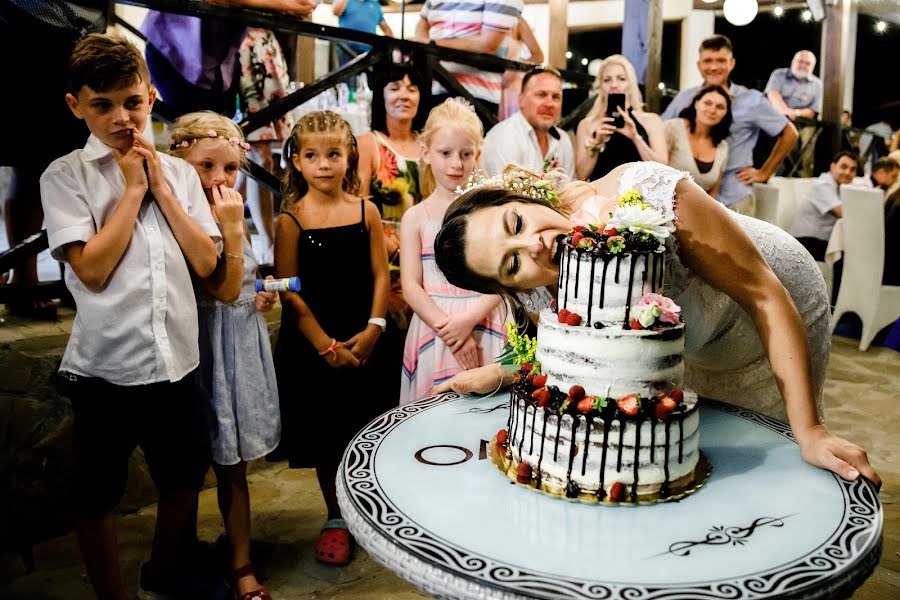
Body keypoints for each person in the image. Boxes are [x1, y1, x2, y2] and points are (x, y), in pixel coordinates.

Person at [431, 161, 881, 489]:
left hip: (775, 302)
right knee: (698, 462)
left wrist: (811, 432)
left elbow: (763, 293)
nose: (535, 245)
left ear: (523, 197)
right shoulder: (536, 287)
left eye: (517, 222)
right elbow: (588, 358)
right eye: (511, 264)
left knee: (775, 462)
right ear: (507, 285)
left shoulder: (648, 195)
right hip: (693, 342)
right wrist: (503, 373)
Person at [40, 34, 221, 599]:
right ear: (76, 106)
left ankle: (164, 571)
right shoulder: (65, 176)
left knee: (184, 476)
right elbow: (91, 270)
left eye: (133, 102)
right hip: (107, 368)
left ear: (151, 95)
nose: (122, 118)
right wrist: (130, 191)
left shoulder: (181, 175)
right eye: (103, 105)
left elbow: (206, 260)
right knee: (97, 491)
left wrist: (161, 189)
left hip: (178, 358)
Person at [168, 112, 279, 600]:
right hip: (200, 348)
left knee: (234, 468)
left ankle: (240, 559)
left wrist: (260, 292)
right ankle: (181, 549)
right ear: (178, 164)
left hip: (239, 343)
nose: (218, 179)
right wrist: (231, 232)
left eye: (229, 168)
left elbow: (241, 278)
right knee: (188, 463)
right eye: (204, 166)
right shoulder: (184, 218)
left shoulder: (232, 210)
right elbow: (214, 282)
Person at [272, 111, 391, 566]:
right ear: (297, 162)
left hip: (365, 334)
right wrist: (326, 345)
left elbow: (382, 273)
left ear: (349, 158)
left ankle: (373, 509)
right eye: (312, 156)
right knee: (328, 431)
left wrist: (374, 328)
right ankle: (337, 516)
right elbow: (290, 292)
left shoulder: (367, 212)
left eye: (334, 154)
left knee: (367, 425)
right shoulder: (291, 220)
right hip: (316, 342)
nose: (324, 164)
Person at [1, 0, 107, 320]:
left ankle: (75, 274)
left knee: (84, 164)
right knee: (31, 163)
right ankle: (25, 279)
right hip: (26, 25)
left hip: (87, 33)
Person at [399, 99, 507, 404]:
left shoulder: (488, 210)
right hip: (434, 327)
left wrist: (468, 320)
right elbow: (410, 285)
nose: (456, 164)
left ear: (479, 154)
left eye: (465, 154)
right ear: (426, 152)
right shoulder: (416, 217)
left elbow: (503, 278)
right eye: (445, 153)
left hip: (485, 319)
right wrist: (450, 331)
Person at [662, 35, 799, 217]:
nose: (713, 67)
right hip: (687, 200)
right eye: (708, 61)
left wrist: (765, 172)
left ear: (732, 63)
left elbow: (790, 133)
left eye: (720, 60)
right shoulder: (684, 98)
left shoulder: (751, 100)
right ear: (699, 65)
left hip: (734, 197)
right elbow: (660, 130)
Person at [142, 0, 315, 116]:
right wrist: (283, 5)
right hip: (176, 52)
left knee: (220, 136)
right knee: (195, 138)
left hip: (219, 59)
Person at [238, 27, 296, 266]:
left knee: (245, 162)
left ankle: (223, 225)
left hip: (265, 47)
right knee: (259, 159)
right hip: (246, 50)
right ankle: (267, 242)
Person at [414, 0, 524, 114]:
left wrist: (430, 44)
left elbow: (488, 45)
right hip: (430, 88)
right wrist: (422, 43)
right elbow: (423, 22)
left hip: (476, 96)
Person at [575, 54, 667, 181]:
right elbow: (581, 175)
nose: (614, 85)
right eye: (607, 80)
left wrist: (636, 138)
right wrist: (596, 144)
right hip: (601, 197)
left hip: (640, 196)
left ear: (630, 83)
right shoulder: (587, 124)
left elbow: (664, 170)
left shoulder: (651, 121)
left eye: (621, 79)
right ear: (600, 85)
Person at [357, 62, 430, 221]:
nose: (404, 96)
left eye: (412, 90)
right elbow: (358, 204)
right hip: (382, 240)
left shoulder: (430, 145)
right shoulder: (367, 144)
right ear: (381, 96)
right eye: (394, 89)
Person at [482, 66, 575, 179]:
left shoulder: (563, 139)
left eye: (556, 97)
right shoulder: (504, 136)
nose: (549, 104)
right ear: (521, 99)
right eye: (541, 94)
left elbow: (569, 188)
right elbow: (506, 194)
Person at [664, 84, 732, 197]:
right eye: (707, 103)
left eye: (720, 107)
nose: (712, 110)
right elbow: (656, 172)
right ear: (696, 103)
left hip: (698, 211)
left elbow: (713, 193)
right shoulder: (672, 128)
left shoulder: (723, 146)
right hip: (664, 206)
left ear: (726, 113)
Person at [791, 151, 858, 261]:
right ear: (832, 167)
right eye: (844, 167)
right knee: (850, 255)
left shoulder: (840, 187)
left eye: (853, 169)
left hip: (820, 241)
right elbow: (842, 213)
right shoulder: (823, 185)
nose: (847, 172)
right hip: (805, 242)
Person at [765, 50, 823, 177]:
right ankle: (770, 173)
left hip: (803, 124)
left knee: (804, 143)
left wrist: (795, 113)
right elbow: (773, 95)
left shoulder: (817, 84)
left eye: (807, 63)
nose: (803, 65)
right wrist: (785, 112)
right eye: (800, 61)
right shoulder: (779, 74)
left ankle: (797, 175)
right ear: (793, 62)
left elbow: (813, 111)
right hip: (776, 119)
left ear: (813, 66)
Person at [498, 17, 544, 121]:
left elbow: (539, 56)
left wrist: (515, 67)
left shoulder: (518, 21)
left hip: (511, 87)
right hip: (490, 84)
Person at [332, 0, 394, 67]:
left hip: (368, 52)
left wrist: (384, 47)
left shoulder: (375, 4)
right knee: (346, 75)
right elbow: (336, 12)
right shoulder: (345, 1)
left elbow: (387, 30)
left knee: (368, 75)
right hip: (345, 49)